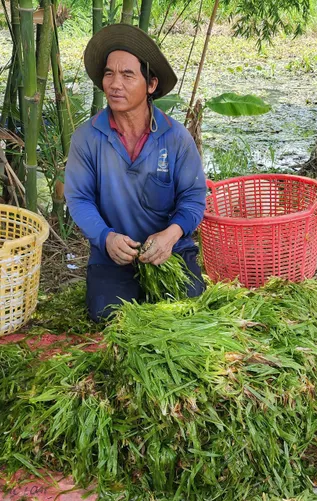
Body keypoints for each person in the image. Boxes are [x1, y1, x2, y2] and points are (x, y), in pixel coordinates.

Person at [65, 24, 207, 322]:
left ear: (151, 84)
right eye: (109, 74)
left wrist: (171, 235)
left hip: (171, 250)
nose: (115, 84)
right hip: (113, 256)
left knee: (187, 311)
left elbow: (193, 199)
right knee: (109, 316)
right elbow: (79, 199)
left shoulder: (175, 137)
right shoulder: (87, 138)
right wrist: (106, 238)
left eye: (128, 75)